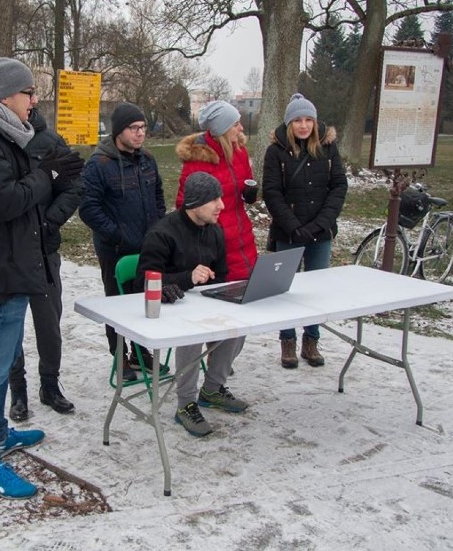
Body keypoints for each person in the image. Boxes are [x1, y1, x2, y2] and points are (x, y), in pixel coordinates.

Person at [0, 57, 84, 499]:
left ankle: (1, 435)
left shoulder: (6, 133)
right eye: (29, 93)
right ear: (8, 94)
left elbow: (23, 192)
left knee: (0, 357)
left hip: (13, 263)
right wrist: (46, 175)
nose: (34, 101)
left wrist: (44, 175)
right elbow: (8, 200)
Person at [136, 172, 248, 437]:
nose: (221, 205)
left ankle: (212, 389)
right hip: (165, 308)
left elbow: (220, 275)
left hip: (201, 304)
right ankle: (185, 404)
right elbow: (143, 280)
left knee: (240, 326)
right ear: (195, 204)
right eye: (214, 200)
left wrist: (223, 293)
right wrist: (187, 278)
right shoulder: (162, 233)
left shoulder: (215, 231)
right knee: (191, 335)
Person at [79, 102, 167, 380]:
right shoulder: (99, 164)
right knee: (117, 303)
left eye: (143, 128)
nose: (140, 133)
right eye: (134, 128)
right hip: (114, 248)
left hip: (147, 246)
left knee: (143, 300)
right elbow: (89, 208)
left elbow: (158, 197)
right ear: (119, 131)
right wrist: (116, 235)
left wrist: (158, 228)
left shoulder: (147, 160)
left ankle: (140, 353)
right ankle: (119, 357)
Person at [261, 93, 348, 369]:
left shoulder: (327, 148)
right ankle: (287, 340)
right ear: (289, 123)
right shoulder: (276, 152)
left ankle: (311, 339)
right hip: (288, 233)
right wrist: (293, 226)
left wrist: (320, 223)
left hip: (320, 232)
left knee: (315, 289)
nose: (303, 125)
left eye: (308, 120)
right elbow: (272, 192)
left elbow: (338, 187)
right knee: (286, 288)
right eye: (297, 120)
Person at [8, 104, 81, 422]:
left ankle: (50, 386)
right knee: (11, 326)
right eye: (25, 92)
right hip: (9, 250)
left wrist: (51, 221)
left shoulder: (50, 141)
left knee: (49, 323)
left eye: (31, 93)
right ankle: (18, 392)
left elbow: (75, 186)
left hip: (44, 248)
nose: (30, 100)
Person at [175, 100, 259, 282]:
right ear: (223, 129)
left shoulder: (240, 151)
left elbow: (243, 185)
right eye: (236, 124)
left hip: (243, 236)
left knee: (250, 289)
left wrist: (249, 193)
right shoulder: (197, 161)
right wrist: (213, 232)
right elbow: (184, 206)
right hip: (216, 244)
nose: (242, 128)